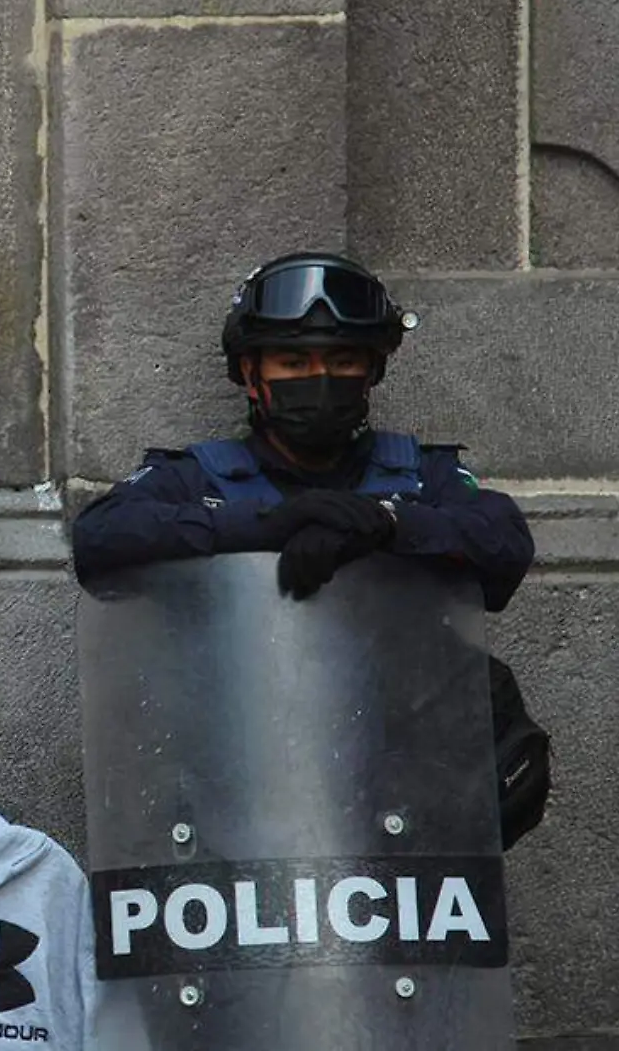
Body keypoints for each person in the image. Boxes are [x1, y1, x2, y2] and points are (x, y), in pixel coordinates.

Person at [71, 251, 548, 847]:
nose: (318, 379)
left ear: (371, 371)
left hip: (408, 802)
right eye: (293, 361)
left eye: (341, 359)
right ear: (251, 374)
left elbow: (503, 540)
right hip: (237, 788)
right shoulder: (202, 478)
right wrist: (264, 528)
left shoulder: (420, 476)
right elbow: (99, 537)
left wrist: (387, 526)